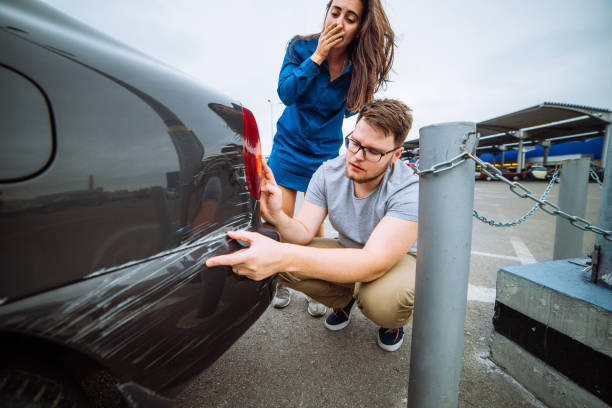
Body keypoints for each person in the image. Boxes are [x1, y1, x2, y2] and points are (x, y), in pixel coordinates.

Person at [206, 99, 417, 351]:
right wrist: (277, 216)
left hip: (395, 260)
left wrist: (283, 256)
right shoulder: (329, 172)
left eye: (372, 151)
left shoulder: (408, 187)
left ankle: (391, 322)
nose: (357, 157)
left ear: (395, 155)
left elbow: (373, 262)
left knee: (383, 302)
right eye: (355, 143)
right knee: (277, 251)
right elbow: (303, 234)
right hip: (350, 250)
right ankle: (343, 299)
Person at [267, 0, 395, 314]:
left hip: (323, 154)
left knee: (313, 227)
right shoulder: (300, 47)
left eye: (350, 18)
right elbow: (286, 93)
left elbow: (352, 108)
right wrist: (318, 56)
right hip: (288, 146)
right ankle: (281, 281)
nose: (338, 22)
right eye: (334, 12)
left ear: (359, 29)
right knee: (280, 221)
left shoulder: (359, 65)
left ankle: (317, 283)